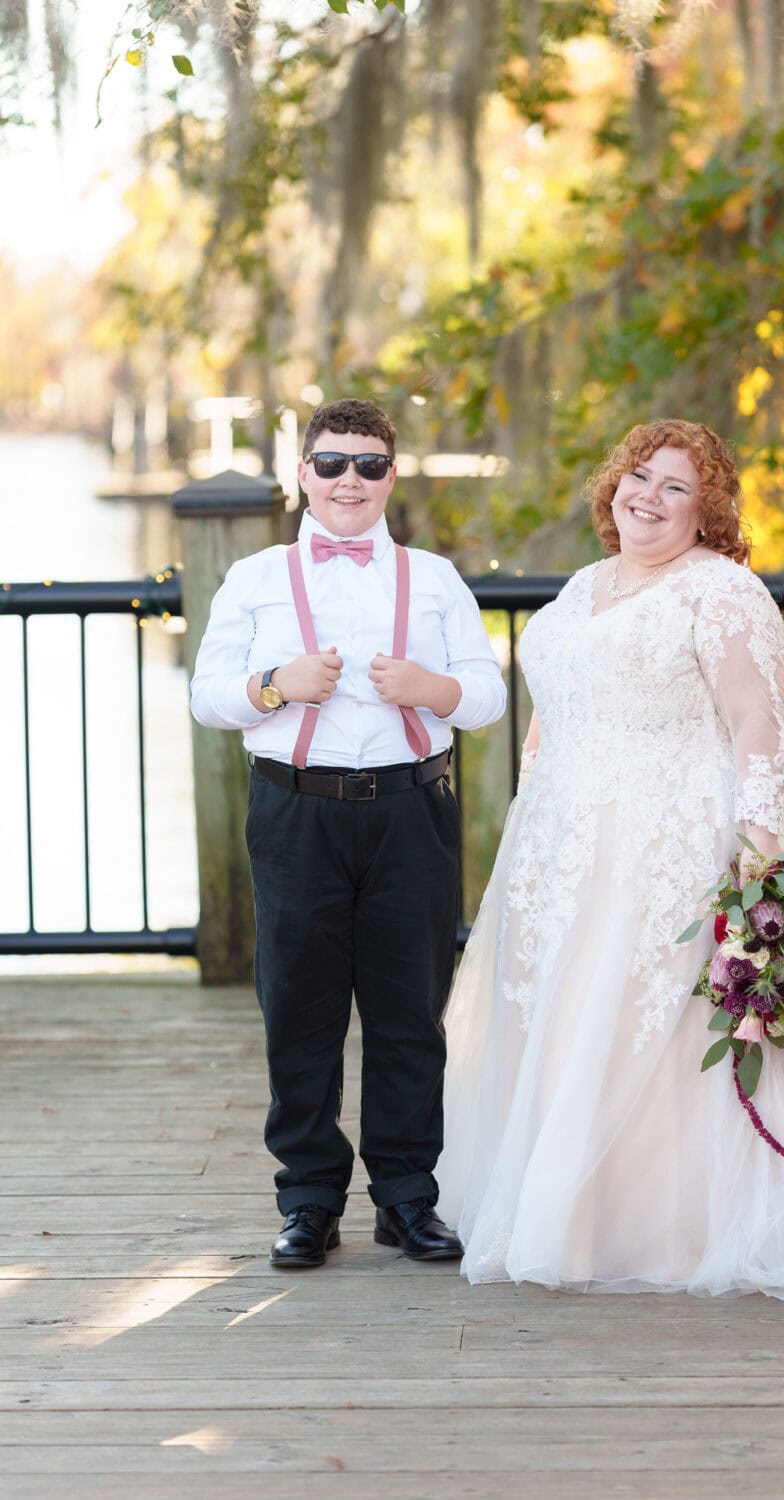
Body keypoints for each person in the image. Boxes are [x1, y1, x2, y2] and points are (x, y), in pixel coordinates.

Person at [436, 417, 784, 1302]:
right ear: (612, 485)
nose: (648, 498)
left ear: (706, 515)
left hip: (669, 838)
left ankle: (667, 1226)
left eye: (675, 488)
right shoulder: (583, 587)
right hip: (561, 844)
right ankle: (574, 1212)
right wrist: (535, 813)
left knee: (650, 1025)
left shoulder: (720, 593)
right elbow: (552, 710)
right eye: (638, 477)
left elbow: (752, 724)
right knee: (571, 1015)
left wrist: (760, 851)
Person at [190, 398, 506, 1268]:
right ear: (303, 474)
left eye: (368, 465)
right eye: (331, 464)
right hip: (295, 810)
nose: (349, 481)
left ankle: (407, 1198)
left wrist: (429, 689)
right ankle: (308, 1199)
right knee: (299, 1006)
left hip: (413, 809)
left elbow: (487, 694)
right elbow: (207, 696)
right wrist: (274, 684)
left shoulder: (435, 577)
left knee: (410, 1012)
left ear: (391, 477)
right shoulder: (253, 579)